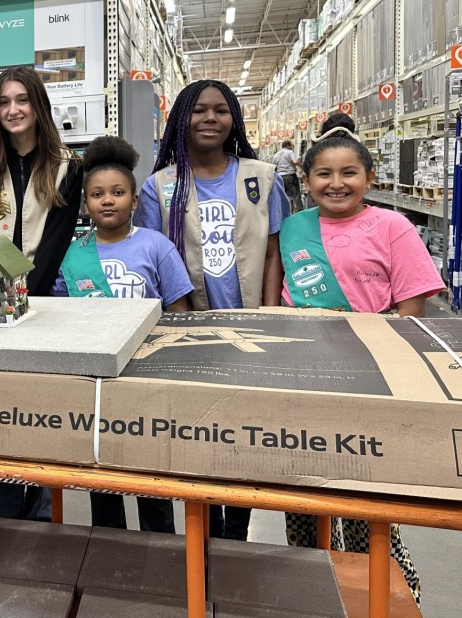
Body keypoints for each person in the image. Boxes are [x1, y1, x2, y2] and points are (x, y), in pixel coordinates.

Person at [279, 113, 439, 603]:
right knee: (303, 492)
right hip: (305, 373)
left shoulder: (392, 225)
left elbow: (413, 301)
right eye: (323, 174)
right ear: (306, 182)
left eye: (349, 172)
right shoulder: (293, 227)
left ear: (370, 178)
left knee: (363, 496)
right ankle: (314, 586)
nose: (336, 183)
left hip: (370, 376)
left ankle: (387, 592)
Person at [134, 79, 288, 541]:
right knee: (192, 438)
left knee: (241, 442)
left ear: (234, 119)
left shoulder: (260, 177)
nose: (210, 119)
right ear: (181, 118)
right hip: (185, 333)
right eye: (198, 110)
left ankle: (232, 540)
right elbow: (146, 256)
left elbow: (274, 249)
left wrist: (267, 311)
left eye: (221, 110)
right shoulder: (159, 186)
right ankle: (193, 538)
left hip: (250, 332)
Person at [0, 65, 83, 521]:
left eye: (22, 100)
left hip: (41, 307)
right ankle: (1, 508)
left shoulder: (68, 166)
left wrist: (26, 296)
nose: (13, 110)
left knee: (38, 410)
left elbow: (57, 239)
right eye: (4, 102)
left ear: (39, 105)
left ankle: (40, 508)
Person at [52, 136, 192, 533]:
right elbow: (64, 315)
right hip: (98, 381)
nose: (107, 200)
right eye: (97, 194)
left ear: (135, 200)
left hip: (149, 377)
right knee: (104, 479)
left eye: (118, 192)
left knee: (151, 480)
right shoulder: (74, 253)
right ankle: (109, 551)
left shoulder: (155, 246)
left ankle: (161, 548)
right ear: (86, 203)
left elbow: (179, 312)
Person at [272, 140, 302, 215]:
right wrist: (300, 164)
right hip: (290, 176)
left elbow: (274, 166)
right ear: (288, 145)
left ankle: (285, 213)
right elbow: (295, 162)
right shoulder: (289, 152)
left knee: (284, 196)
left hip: (280, 177)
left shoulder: (277, 154)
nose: (292, 147)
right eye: (292, 146)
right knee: (296, 196)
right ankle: (299, 213)